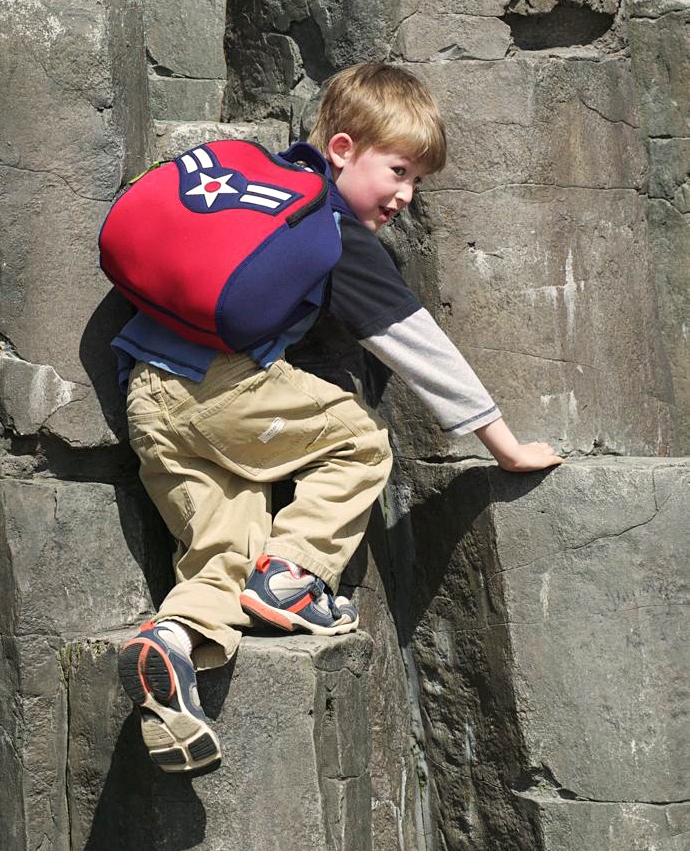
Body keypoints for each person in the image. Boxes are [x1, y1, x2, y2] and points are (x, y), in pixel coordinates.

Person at [113, 62, 563, 774]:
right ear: (344, 149)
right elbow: (420, 347)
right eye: (398, 170)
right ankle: (291, 575)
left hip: (146, 396)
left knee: (222, 549)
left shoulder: (259, 186)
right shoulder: (330, 229)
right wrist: (502, 446)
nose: (405, 195)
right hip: (220, 388)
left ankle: (170, 643)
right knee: (356, 440)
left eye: (417, 180)